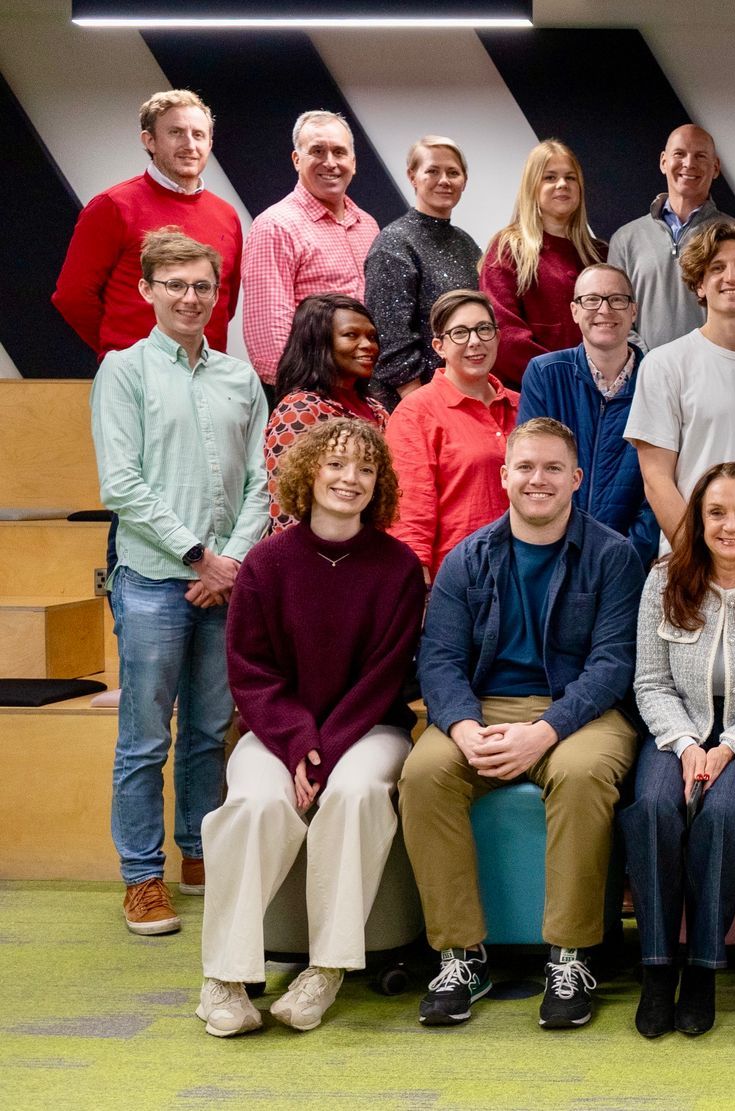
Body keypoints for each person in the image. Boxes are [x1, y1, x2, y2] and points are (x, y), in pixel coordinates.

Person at [400, 417, 642, 1030]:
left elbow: (614, 663)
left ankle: (571, 956)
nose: (539, 480)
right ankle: (460, 954)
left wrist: (547, 730)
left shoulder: (613, 556)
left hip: (580, 713)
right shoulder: (467, 558)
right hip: (482, 710)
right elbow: (440, 659)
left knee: (585, 776)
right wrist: (460, 728)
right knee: (424, 774)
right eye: (526, 467)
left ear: (577, 479)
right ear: (505, 475)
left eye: (553, 468)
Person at [195, 419, 424, 1037]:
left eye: (364, 469)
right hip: (276, 730)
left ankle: (324, 968)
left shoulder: (398, 568)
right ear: (308, 474)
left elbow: (383, 678)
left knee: (355, 795)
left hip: (368, 727)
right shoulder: (267, 564)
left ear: (378, 485)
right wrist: (299, 744)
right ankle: (223, 978)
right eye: (335, 465)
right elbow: (251, 672)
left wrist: (323, 755)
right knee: (252, 804)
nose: (350, 479)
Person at [91, 228, 268, 936]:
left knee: (206, 729)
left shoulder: (239, 377)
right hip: (153, 581)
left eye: (202, 286)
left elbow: (263, 479)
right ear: (148, 290)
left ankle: (198, 852)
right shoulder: (123, 371)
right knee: (144, 736)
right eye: (176, 285)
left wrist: (231, 559)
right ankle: (142, 875)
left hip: (225, 582)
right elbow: (121, 483)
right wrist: (200, 554)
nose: (190, 297)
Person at [621, 462, 735, 1039]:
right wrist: (683, 745)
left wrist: (728, 747)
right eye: (717, 513)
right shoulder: (665, 579)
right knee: (652, 809)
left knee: (722, 816)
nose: (731, 526)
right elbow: (649, 682)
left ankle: (702, 969)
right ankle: (657, 969)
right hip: (673, 731)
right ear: (698, 520)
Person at [626, 220, 735, 557]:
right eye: (717, 268)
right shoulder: (664, 365)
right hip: (688, 563)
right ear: (700, 285)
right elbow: (656, 478)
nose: (731, 276)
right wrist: (697, 558)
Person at [54, 89, 243, 359]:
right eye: (176, 132)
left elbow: (224, 302)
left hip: (207, 374)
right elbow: (72, 297)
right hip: (135, 377)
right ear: (150, 140)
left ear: (210, 143)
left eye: (198, 135)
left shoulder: (227, 215)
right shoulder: (113, 206)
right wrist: (119, 352)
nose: (190, 144)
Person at [518, 264, 655, 564]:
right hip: (555, 557)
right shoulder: (545, 374)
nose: (604, 310)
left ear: (633, 310)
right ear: (574, 311)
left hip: (633, 563)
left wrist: (627, 557)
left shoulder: (659, 379)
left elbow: (661, 483)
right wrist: (562, 552)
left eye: (617, 299)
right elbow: (532, 472)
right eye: (591, 300)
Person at [386, 290, 520, 576]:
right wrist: (419, 591)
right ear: (439, 346)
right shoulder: (416, 412)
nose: (475, 342)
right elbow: (410, 518)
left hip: (525, 574)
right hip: (458, 579)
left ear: (497, 336)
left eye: (484, 329)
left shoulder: (521, 405)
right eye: (460, 333)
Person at [241, 110, 380, 383]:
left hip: (367, 388)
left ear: (353, 162)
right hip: (312, 390)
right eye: (317, 151)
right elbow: (268, 334)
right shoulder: (276, 225)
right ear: (296, 159)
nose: (330, 162)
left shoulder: (367, 225)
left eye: (339, 152)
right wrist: (301, 394)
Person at [364, 136, 483, 405]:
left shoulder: (466, 243)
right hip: (414, 398)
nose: (444, 180)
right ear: (413, 176)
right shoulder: (393, 243)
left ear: (464, 181)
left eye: (453, 172)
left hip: (462, 389)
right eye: (432, 171)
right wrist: (417, 402)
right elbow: (390, 334)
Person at [480, 139, 606, 387]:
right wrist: (564, 380)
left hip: (602, 390)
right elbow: (505, 337)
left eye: (570, 178)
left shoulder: (599, 253)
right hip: (541, 392)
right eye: (550, 177)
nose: (562, 184)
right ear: (532, 186)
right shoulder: (508, 249)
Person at [262, 293, 390, 533]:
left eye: (372, 336)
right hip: (317, 559)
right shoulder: (300, 409)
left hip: (373, 549)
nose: (368, 346)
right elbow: (287, 508)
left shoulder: (377, 409)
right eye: (351, 335)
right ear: (318, 342)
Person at [608, 123, 735, 352]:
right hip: (645, 375)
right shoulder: (626, 239)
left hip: (714, 374)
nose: (689, 163)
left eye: (700, 155)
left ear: (716, 167)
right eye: (680, 154)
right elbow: (615, 312)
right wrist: (646, 362)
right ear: (663, 161)